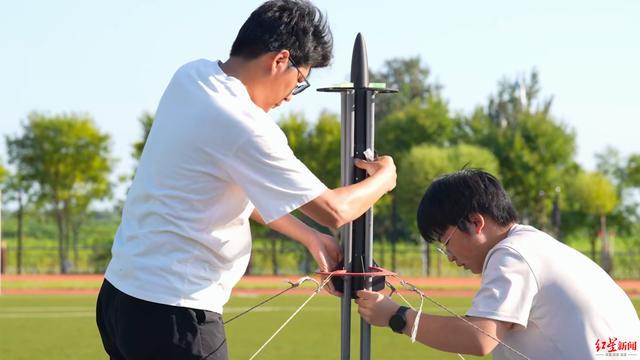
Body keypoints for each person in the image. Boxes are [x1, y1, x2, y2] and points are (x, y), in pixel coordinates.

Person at [95, 1, 397, 359]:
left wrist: (309, 236)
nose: (289, 98)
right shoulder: (243, 124)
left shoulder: (191, 76)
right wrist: (386, 177)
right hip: (175, 315)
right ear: (279, 60)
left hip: (120, 296)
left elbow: (232, 190)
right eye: (299, 82)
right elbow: (334, 210)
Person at [356, 169, 639, 359]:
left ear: (476, 222)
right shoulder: (532, 245)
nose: (451, 256)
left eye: (447, 242)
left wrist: (396, 317)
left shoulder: (512, 254)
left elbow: (480, 339)